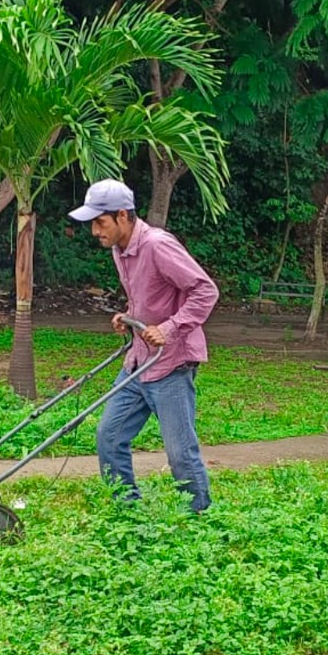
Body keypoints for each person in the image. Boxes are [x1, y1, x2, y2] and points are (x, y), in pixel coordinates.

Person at [71, 179, 219, 513]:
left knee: (180, 453)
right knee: (109, 436)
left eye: (100, 222)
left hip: (170, 364)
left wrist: (169, 328)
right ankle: (128, 512)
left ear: (123, 216)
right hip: (138, 362)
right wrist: (130, 316)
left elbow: (205, 291)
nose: (94, 231)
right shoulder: (119, 249)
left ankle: (199, 518)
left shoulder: (157, 245)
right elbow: (150, 294)